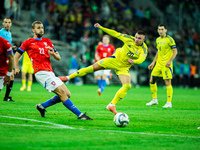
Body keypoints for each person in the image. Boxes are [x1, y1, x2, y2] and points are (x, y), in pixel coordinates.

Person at [59, 23, 148, 115]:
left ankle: (111, 104)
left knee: (127, 85)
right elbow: (115, 33)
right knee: (90, 68)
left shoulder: (144, 49)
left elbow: (142, 58)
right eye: (136, 37)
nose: (136, 40)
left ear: (143, 39)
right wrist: (101, 27)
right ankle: (67, 78)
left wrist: (135, 61)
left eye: (139, 38)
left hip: (123, 67)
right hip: (113, 60)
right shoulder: (129, 39)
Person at [14, 21, 92, 120]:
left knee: (67, 94)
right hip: (41, 72)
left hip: (50, 72)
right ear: (33, 30)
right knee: (62, 93)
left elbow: (58, 57)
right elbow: (17, 55)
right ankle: (80, 115)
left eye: (42, 27)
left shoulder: (47, 41)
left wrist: (53, 54)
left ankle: (42, 106)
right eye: (38, 28)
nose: (41, 29)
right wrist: (16, 67)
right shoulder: (28, 42)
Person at [146, 24, 178, 108]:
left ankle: (169, 102)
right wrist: (153, 62)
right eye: (159, 29)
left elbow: (175, 51)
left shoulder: (170, 39)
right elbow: (158, 52)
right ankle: (154, 100)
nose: (160, 31)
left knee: (167, 83)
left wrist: (170, 61)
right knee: (152, 80)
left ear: (165, 30)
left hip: (166, 65)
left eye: (162, 29)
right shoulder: (157, 40)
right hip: (158, 64)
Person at [0, 18, 16, 102]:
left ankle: (6, 97)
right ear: (3, 23)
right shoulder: (0, 32)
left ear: (11, 24)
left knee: (11, 75)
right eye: (5, 22)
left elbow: (7, 45)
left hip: (7, 57)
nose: (7, 24)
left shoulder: (9, 34)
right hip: (2, 58)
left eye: (9, 22)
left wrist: (12, 47)